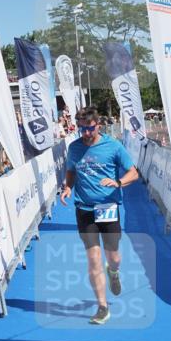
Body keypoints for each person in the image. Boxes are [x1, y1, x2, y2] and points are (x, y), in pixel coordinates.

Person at [60, 108, 140, 325]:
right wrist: (68, 187)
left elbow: (134, 172)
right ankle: (102, 307)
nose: (86, 133)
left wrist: (118, 182)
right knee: (94, 258)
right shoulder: (74, 148)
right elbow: (71, 171)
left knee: (113, 257)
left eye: (90, 128)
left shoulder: (113, 146)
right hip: (84, 209)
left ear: (99, 125)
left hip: (108, 207)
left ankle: (113, 271)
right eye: (82, 129)